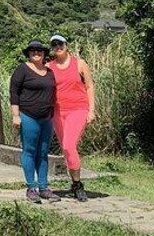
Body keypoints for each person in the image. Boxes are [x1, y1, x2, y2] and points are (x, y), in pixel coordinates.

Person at [9, 40, 61, 204]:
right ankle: (31, 187)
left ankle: (44, 187)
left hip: (47, 118)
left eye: (39, 50)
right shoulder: (22, 70)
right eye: (32, 51)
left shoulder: (50, 72)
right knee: (29, 150)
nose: (36, 53)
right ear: (28, 54)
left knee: (43, 152)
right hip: (28, 115)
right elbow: (14, 92)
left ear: (44, 53)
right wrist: (16, 115)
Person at [47, 33, 96, 202]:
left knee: (69, 145)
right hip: (58, 112)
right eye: (54, 45)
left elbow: (89, 86)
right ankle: (74, 185)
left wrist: (92, 110)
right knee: (66, 149)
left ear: (66, 45)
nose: (58, 47)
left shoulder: (80, 64)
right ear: (52, 49)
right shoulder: (49, 67)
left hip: (78, 109)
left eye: (60, 44)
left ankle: (78, 184)